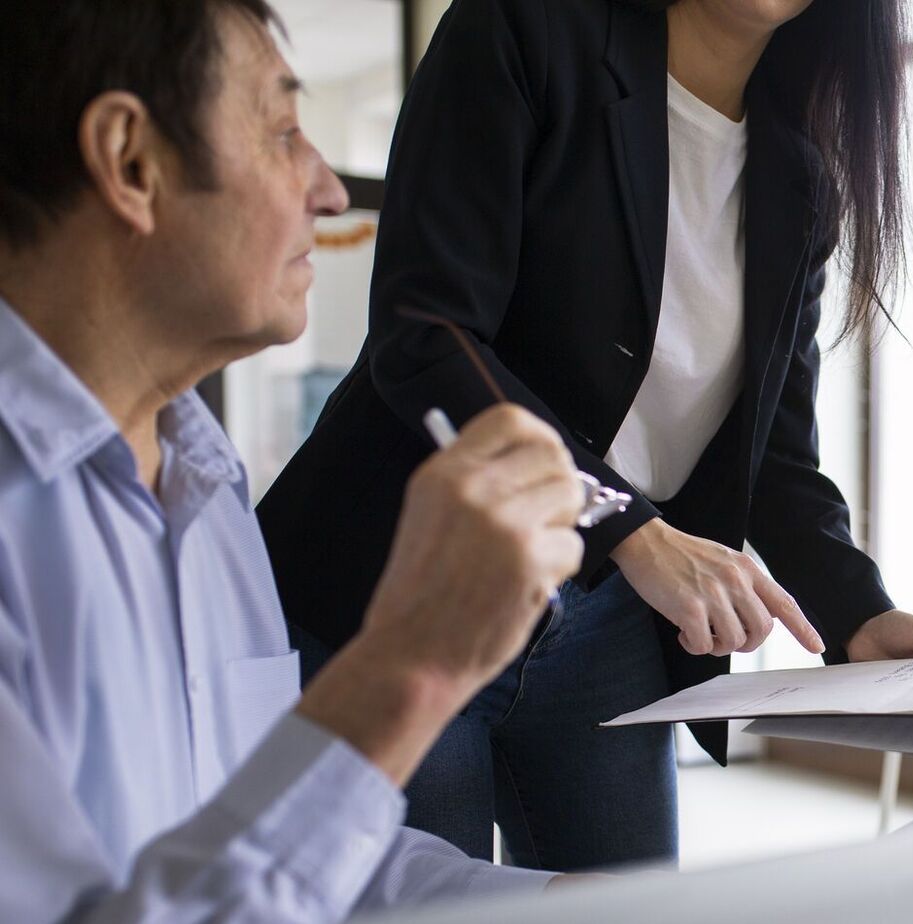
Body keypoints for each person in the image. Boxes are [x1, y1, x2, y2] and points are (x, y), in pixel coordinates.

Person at [255, 0, 913, 872]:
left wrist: (863, 616)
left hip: (604, 625)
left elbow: (775, 458)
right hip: (405, 581)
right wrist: (633, 527)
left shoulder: (802, 181)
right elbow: (428, 331)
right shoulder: (521, 31)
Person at [0, 1, 594, 919]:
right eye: (283, 131)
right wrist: (413, 667)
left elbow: (314, 861)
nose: (326, 190)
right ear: (131, 161)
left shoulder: (207, 488)